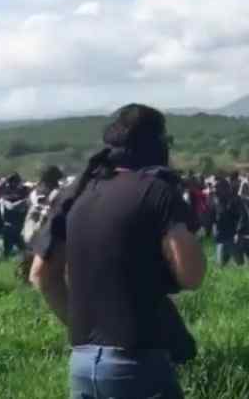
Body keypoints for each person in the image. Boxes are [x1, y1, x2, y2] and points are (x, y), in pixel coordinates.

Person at [29, 104, 205, 399]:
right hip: (138, 364)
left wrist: (89, 333)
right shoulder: (157, 191)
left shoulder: (75, 192)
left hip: (82, 364)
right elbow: (191, 276)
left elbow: (41, 276)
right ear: (158, 145)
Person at [22, 166, 64, 245]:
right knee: (31, 237)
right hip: (38, 214)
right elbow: (32, 198)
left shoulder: (52, 188)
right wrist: (38, 206)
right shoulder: (44, 186)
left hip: (44, 215)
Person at [212, 178, 248, 267]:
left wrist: (238, 233)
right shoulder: (217, 201)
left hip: (233, 237)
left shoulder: (236, 200)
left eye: (218, 188)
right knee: (221, 266)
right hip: (221, 237)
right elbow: (215, 218)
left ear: (226, 188)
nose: (215, 190)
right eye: (215, 188)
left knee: (240, 265)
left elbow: (243, 216)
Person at [0, 173, 29, 258]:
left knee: (19, 242)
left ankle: (24, 257)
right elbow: (9, 206)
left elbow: (25, 205)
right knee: (9, 243)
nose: (18, 183)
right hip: (9, 221)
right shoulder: (6, 191)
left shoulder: (22, 191)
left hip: (18, 221)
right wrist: (21, 202)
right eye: (16, 181)